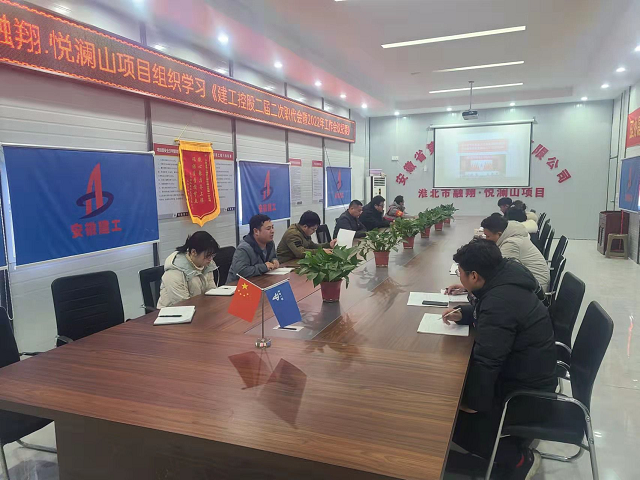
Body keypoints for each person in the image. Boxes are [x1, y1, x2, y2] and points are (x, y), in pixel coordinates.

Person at [443, 239, 556, 479]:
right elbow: (497, 319)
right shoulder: (505, 280)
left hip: (524, 395)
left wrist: (471, 403)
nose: (459, 277)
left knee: (444, 416)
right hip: (526, 376)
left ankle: (516, 459)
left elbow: (488, 361)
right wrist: (464, 314)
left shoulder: (500, 301)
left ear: (474, 276)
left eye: (460, 273)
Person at [480, 214, 550, 292]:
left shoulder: (512, 244)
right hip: (533, 284)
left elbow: (499, 271)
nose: (486, 239)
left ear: (499, 234)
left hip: (536, 290)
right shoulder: (512, 236)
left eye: (488, 236)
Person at [157, 231, 220, 308]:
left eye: (212, 256)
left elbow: (211, 292)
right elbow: (183, 305)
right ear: (193, 252)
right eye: (207, 256)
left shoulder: (206, 265)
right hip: (173, 312)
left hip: (198, 308)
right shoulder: (175, 272)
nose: (210, 259)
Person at [227, 214, 279, 283]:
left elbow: (272, 257)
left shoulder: (270, 243)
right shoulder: (244, 248)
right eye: (268, 229)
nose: (272, 231)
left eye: (272, 227)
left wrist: (274, 260)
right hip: (239, 286)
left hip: (260, 281)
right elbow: (241, 272)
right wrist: (264, 267)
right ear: (256, 231)